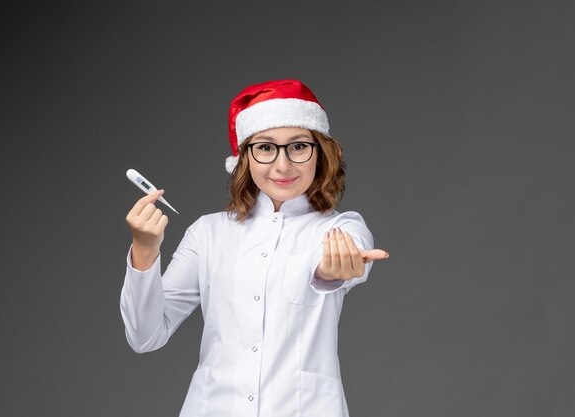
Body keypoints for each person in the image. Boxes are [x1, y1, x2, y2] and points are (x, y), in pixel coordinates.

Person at [120, 79, 389, 417]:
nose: (282, 165)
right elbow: (145, 336)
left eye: (298, 146)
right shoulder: (208, 233)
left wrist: (331, 272)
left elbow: (341, 256)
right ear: (244, 158)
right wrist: (144, 251)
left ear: (320, 153)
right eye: (265, 148)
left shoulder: (342, 227)